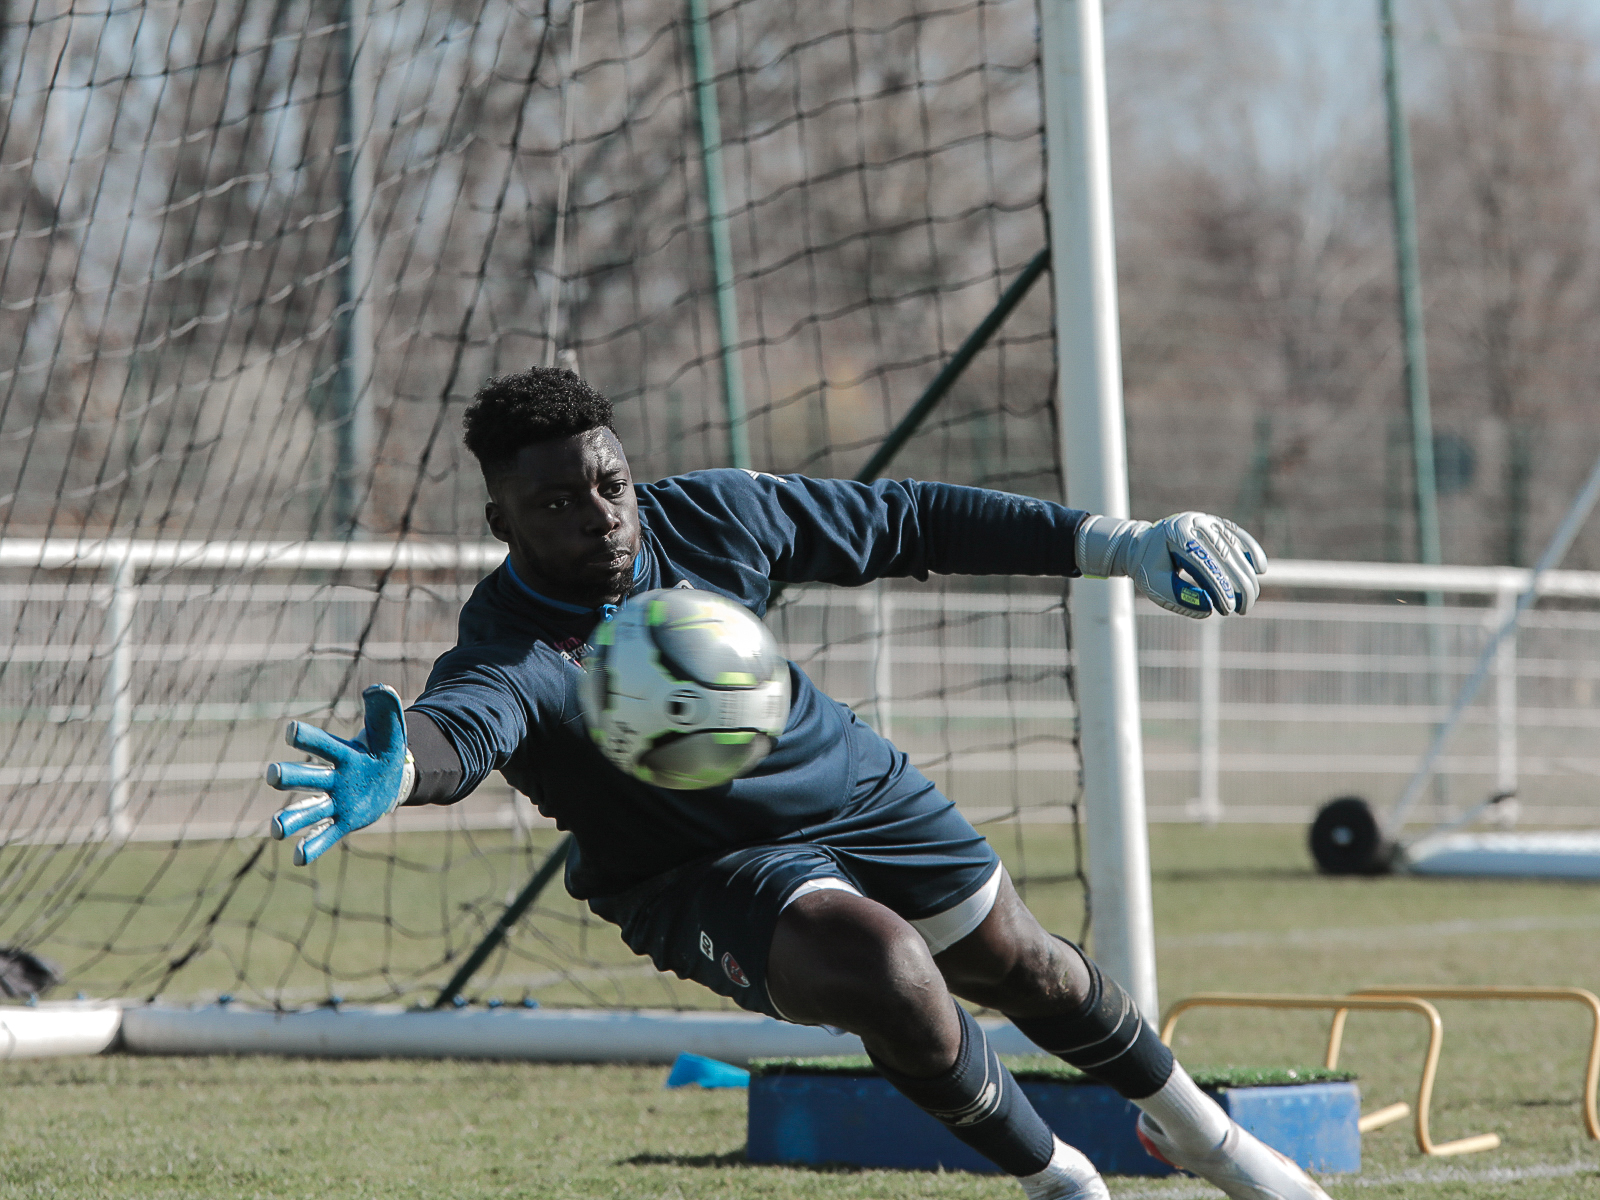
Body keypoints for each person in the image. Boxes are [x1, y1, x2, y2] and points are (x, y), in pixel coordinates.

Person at [266, 367, 1324, 1200]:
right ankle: (1060, 1180)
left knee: (1028, 970)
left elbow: (908, 522)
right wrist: (403, 767)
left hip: (851, 788)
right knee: (888, 968)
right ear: (503, 524)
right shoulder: (512, 650)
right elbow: (464, 726)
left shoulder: (716, 517)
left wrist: (1119, 543)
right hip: (702, 872)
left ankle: (1204, 1138)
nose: (598, 515)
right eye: (555, 503)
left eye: (609, 483)